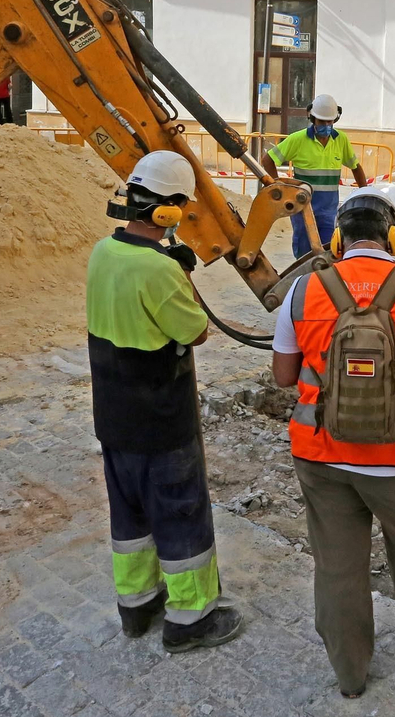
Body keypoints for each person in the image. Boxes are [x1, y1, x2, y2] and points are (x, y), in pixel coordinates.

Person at [271, 193, 395, 697]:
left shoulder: (303, 289)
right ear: (394, 238)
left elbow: (282, 377)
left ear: (338, 241)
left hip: (321, 454)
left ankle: (350, 675)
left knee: (338, 566)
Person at [86, 150, 243, 651]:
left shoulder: (101, 253)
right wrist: (180, 275)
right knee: (180, 513)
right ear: (169, 212)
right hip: (160, 417)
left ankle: (136, 607)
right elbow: (195, 332)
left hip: (113, 416)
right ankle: (190, 619)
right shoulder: (158, 271)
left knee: (129, 515)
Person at [260, 94, 368, 259]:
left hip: (328, 211)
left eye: (329, 122)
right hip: (303, 210)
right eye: (321, 122)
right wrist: (278, 186)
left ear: (335, 120)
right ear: (312, 118)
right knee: (304, 257)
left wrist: (366, 195)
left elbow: (356, 167)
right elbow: (268, 160)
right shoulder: (297, 139)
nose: (326, 125)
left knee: (328, 256)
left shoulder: (341, 140)